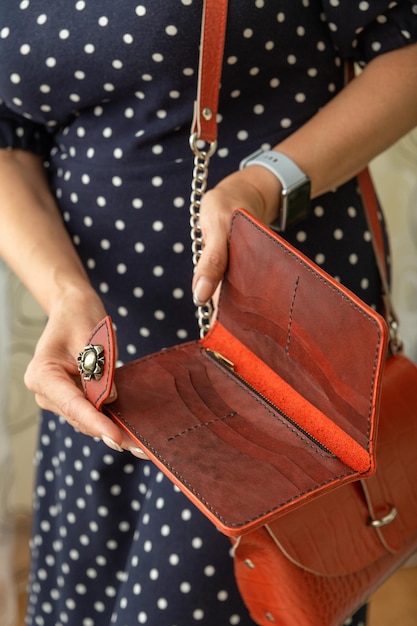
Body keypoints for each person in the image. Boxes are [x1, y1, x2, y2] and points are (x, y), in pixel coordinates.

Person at [0, 2, 416, 625]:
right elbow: (9, 141)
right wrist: (66, 296)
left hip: (268, 368)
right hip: (99, 363)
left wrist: (266, 183)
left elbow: (405, 49)